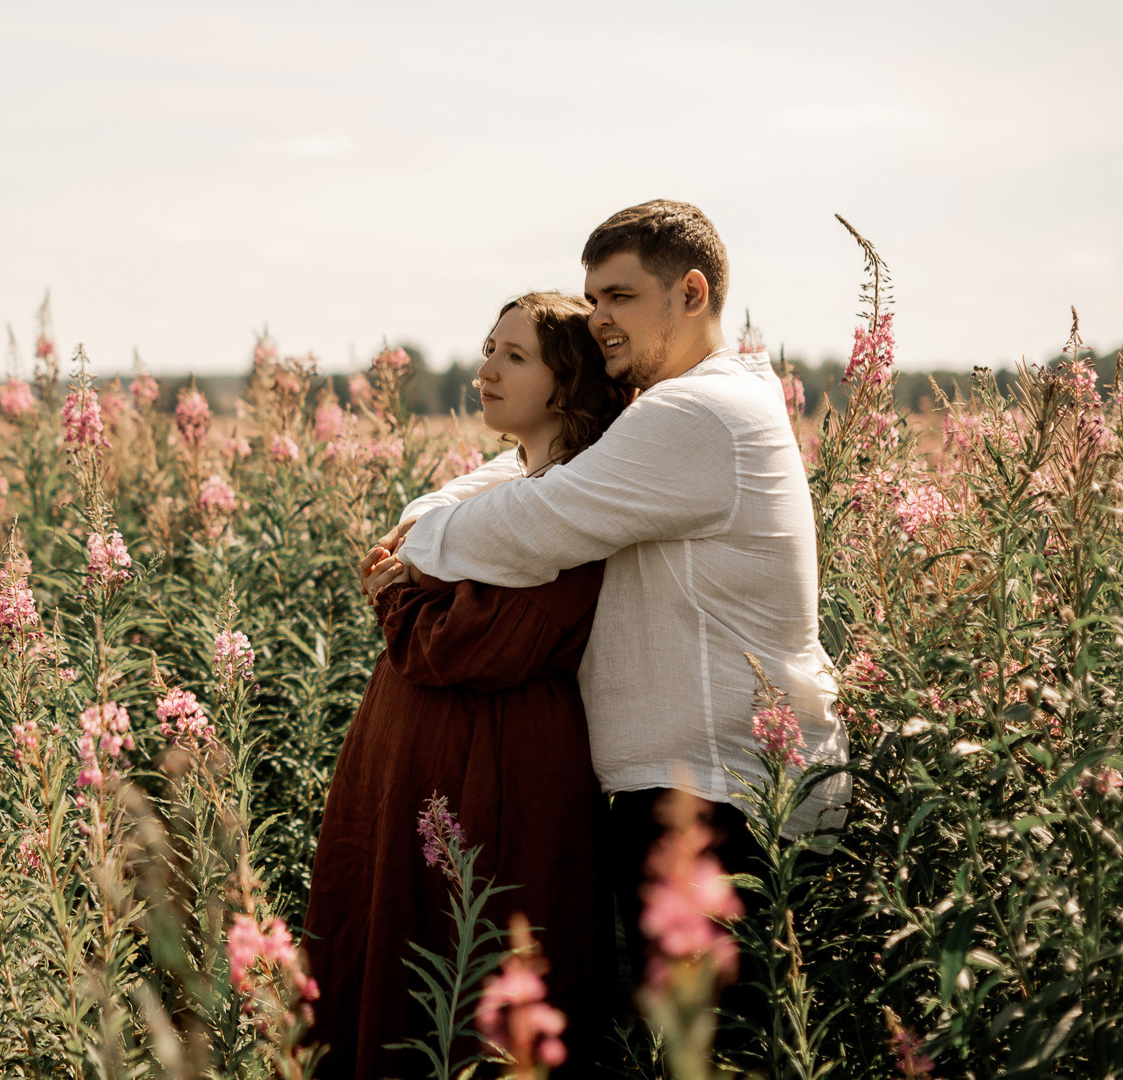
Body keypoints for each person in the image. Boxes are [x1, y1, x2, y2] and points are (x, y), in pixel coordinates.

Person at [366, 200, 849, 1056]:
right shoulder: (678, 406)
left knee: (712, 1053)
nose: (600, 320)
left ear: (692, 291)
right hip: (698, 787)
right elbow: (513, 479)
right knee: (690, 1049)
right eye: (593, 298)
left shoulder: (695, 413)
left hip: (721, 794)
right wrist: (425, 523)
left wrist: (418, 555)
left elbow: (539, 518)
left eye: (620, 296)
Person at [304, 290, 629, 1080]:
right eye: (489, 348)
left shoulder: (577, 500)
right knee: (401, 949)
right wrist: (412, 580)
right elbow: (420, 552)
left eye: (514, 357)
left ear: (564, 382)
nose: (485, 369)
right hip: (417, 762)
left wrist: (398, 592)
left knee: (479, 968)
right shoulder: (500, 479)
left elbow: (466, 640)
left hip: (501, 769)